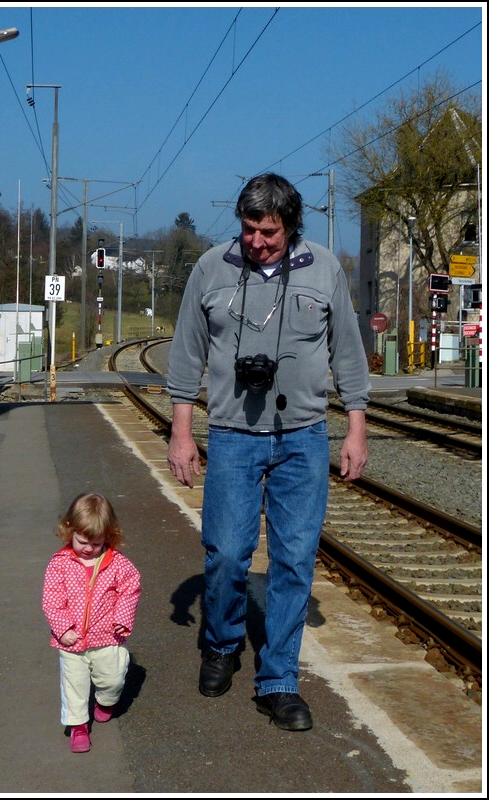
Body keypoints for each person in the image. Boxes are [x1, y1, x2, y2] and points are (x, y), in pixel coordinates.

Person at [166, 173, 370, 732]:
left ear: (291, 226)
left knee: (294, 560)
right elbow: (186, 354)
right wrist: (182, 433)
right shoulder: (211, 268)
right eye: (249, 229)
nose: (256, 242)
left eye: (269, 232)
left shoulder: (325, 269)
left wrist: (356, 430)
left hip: (303, 437)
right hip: (233, 434)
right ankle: (222, 643)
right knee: (227, 553)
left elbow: (348, 354)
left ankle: (278, 680)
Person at [42, 492, 141, 753]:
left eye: (96, 543)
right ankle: (78, 727)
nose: (88, 548)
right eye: (82, 541)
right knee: (74, 685)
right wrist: (63, 628)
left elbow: (130, 589)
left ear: (107, 537)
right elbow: (52, 600)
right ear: (70, 531)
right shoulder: (60, 564)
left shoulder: (117, 564)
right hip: (72, 640)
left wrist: (122, 619)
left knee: (113, 679)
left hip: (107, 636)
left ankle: (105, 701)